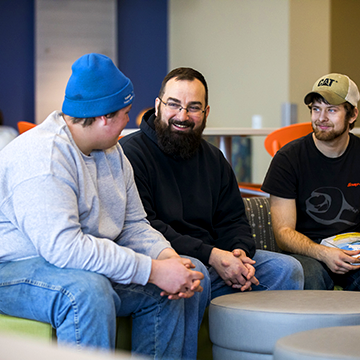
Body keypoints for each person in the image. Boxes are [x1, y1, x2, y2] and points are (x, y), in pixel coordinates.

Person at [0, 54, 210, 360]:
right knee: (88, 291)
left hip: (80, 265)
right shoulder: (43, 158)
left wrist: (169, 260)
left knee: (183, 279)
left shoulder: (111, 152)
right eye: (125, 113)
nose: (129, 121)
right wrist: (151, 270)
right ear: (103, 117)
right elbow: (64, 249)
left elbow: (134, 223)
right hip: (16, 268)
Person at [120, 67, 304, 301]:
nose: (182, 116)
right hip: (167, 259)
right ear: (158, 106)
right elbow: (145, 227)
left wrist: (238, 253)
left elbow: (233, 219)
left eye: (193, 107)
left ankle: (262, 339)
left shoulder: (214, 158)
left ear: (206, 112)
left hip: (215, 259)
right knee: (195, 273)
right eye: (173, 104)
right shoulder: (130, 154)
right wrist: (213, 256)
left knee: (287, 269)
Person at [261, 73, 360, 290]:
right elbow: (283, 234)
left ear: (352, 114)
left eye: (331, 110)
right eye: (316, 109)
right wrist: (324, 253)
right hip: (307, 253)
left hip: (353, 250)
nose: (321, 118)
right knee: (309, 278)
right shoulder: (288, 158)